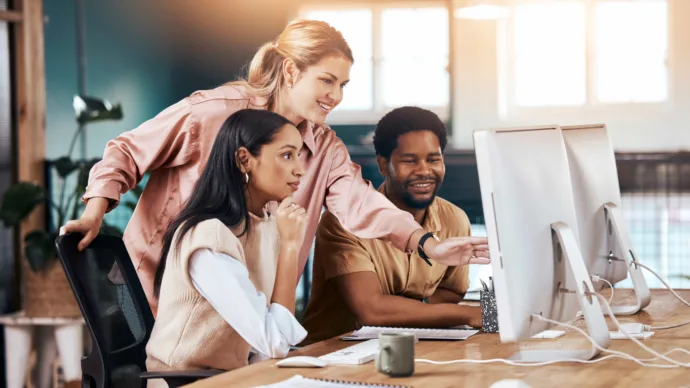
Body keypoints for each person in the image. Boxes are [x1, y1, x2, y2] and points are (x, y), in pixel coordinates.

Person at [60, 19, 489, 315]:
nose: (335, 96)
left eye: (343, 85)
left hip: (253, 306)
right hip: (162, 291)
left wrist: (428, 245)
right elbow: (127, 151)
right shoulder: (212, 112)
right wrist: (95, 210)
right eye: (326, 80)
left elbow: (362, 204)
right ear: (290, 70)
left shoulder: (323, 148)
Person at [301, 107, 483, 344]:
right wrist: (470, 314)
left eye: (433, 159)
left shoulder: (454, 219)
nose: (424, 171)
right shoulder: (344, 221)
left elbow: (451, 292)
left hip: (418, 347)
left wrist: (411, 309)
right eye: (410, 161)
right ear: (383, 165)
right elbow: (373, 310)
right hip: (332, 357)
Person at [146, 109, 308, 374]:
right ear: (244, 160)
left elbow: (268, 345)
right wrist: (291, 247)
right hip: (190, 382)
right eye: (287, 155)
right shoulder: (208, 237)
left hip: (233, 377)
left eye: (298, 156)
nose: (299, 170)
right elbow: (275, 341)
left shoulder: (265, 226)